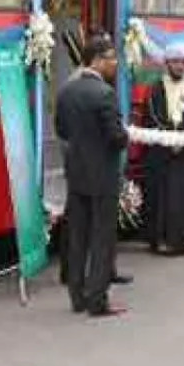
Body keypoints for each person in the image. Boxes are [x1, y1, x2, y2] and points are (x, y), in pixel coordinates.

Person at [54, 34, 131, 316]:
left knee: (78, 237)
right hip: (103, 177)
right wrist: (125, 136)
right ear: (97, 60)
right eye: (111, 58)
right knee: (102, 239)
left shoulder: (66, 91)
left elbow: (62, 130)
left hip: (77, 175)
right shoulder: (105, 94)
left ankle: (78, 297)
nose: (115, 63)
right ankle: (98, 300)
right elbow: (116, 138)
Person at [141, 47, 184, 256]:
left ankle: (181, 241)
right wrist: (169, 139)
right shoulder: (155, 90)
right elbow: (151, 116)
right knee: (161, 198)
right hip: (162, 154)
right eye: (175, 62)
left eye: (182, 62)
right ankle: (160, 239)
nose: (179, 66)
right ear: (167, 64)